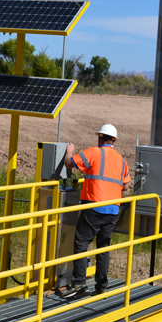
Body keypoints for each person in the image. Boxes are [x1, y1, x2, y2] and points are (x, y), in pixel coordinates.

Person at [60, 123, 131, 299]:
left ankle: (78, 284)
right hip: (113, 209)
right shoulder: (122, 160)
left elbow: (69, 164)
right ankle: (101, 287)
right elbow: (125, 187)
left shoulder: (94, 152)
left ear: (99, 137)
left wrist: (69, 151)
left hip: (93, 206)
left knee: (81, 243)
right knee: (103, 248)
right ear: (114, 140)